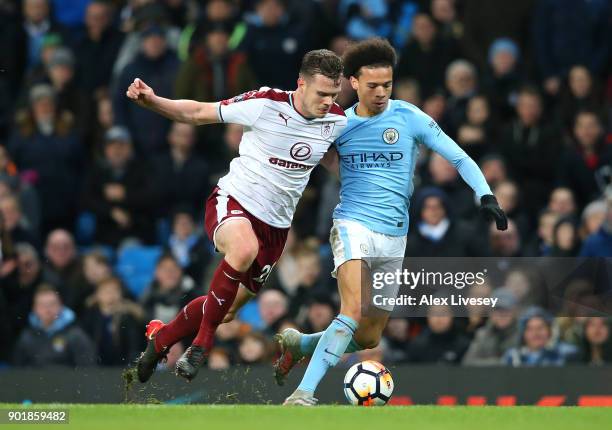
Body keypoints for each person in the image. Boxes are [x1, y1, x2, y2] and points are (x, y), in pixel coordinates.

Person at [274, 38, 507, 405]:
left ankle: (302, 344)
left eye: (387, 84)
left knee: (368, 337)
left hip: (394, 237)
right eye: (372, 86)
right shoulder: (336, 124)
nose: (381, 92)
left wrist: (486, 194)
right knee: (350, 311)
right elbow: (301, 155)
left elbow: (459, 157)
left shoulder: (409, 117)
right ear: (353, 83)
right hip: (353, 226)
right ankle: (303, 393)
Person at [128, 49, 347, 383]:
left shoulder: (336, 120)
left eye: (333, 94)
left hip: (276, 228)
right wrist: (154, 101)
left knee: (227, 309)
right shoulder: (265, 103)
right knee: (243, 250)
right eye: (321, 94)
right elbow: (200, 112)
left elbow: (331, 160)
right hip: (235, 202)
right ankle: (201, 343)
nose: (327, 102)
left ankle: (161, 338)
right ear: (300, 84)